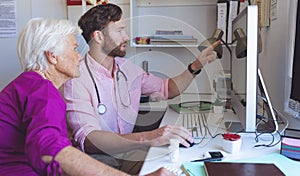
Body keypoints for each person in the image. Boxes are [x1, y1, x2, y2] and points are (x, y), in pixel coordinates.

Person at [0, 17, 174, 176]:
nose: (79, 57)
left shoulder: (28, 85)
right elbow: (48, 150)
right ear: (52, 56)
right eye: (74, 49)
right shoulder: (43, 91)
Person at [63, 3, 218, 173]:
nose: (126, 36)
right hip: (98, 160)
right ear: (98, 36)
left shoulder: (127, 69)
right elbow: (90, 141)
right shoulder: (76, 78)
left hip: (127, 152)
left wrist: (197, 65)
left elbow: (168, 89)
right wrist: (149, 137)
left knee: (178, 163)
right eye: (120, 30)